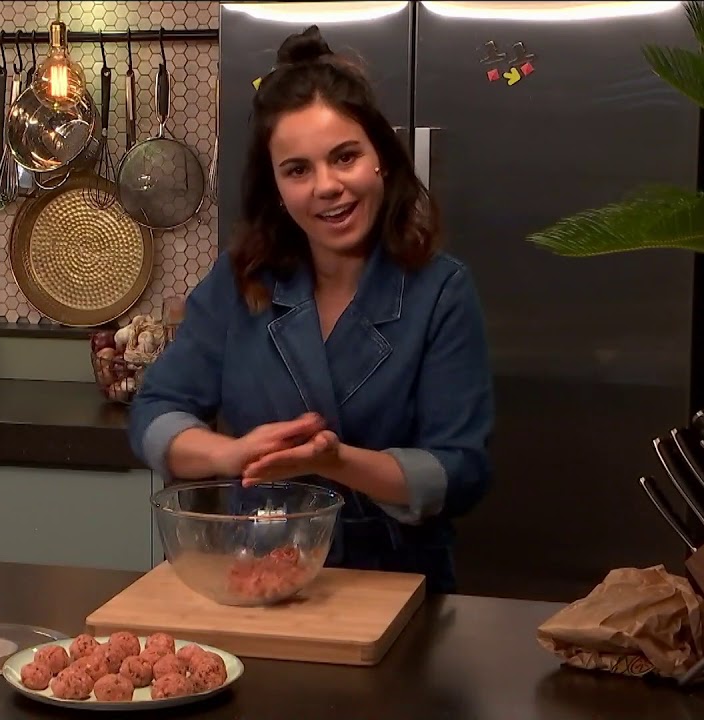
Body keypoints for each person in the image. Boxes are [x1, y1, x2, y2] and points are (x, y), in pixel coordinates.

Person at [127, 25, 494, 594]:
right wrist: (233, 453)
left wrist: (334, 461)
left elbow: (461, 471)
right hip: (256, 575)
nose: (327, 186)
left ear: (382, 160)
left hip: (395, 586)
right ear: (276, 187)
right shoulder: (240, 282)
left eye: (345, 157)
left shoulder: (440, 291)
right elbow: (155, 414)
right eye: (297, 170)